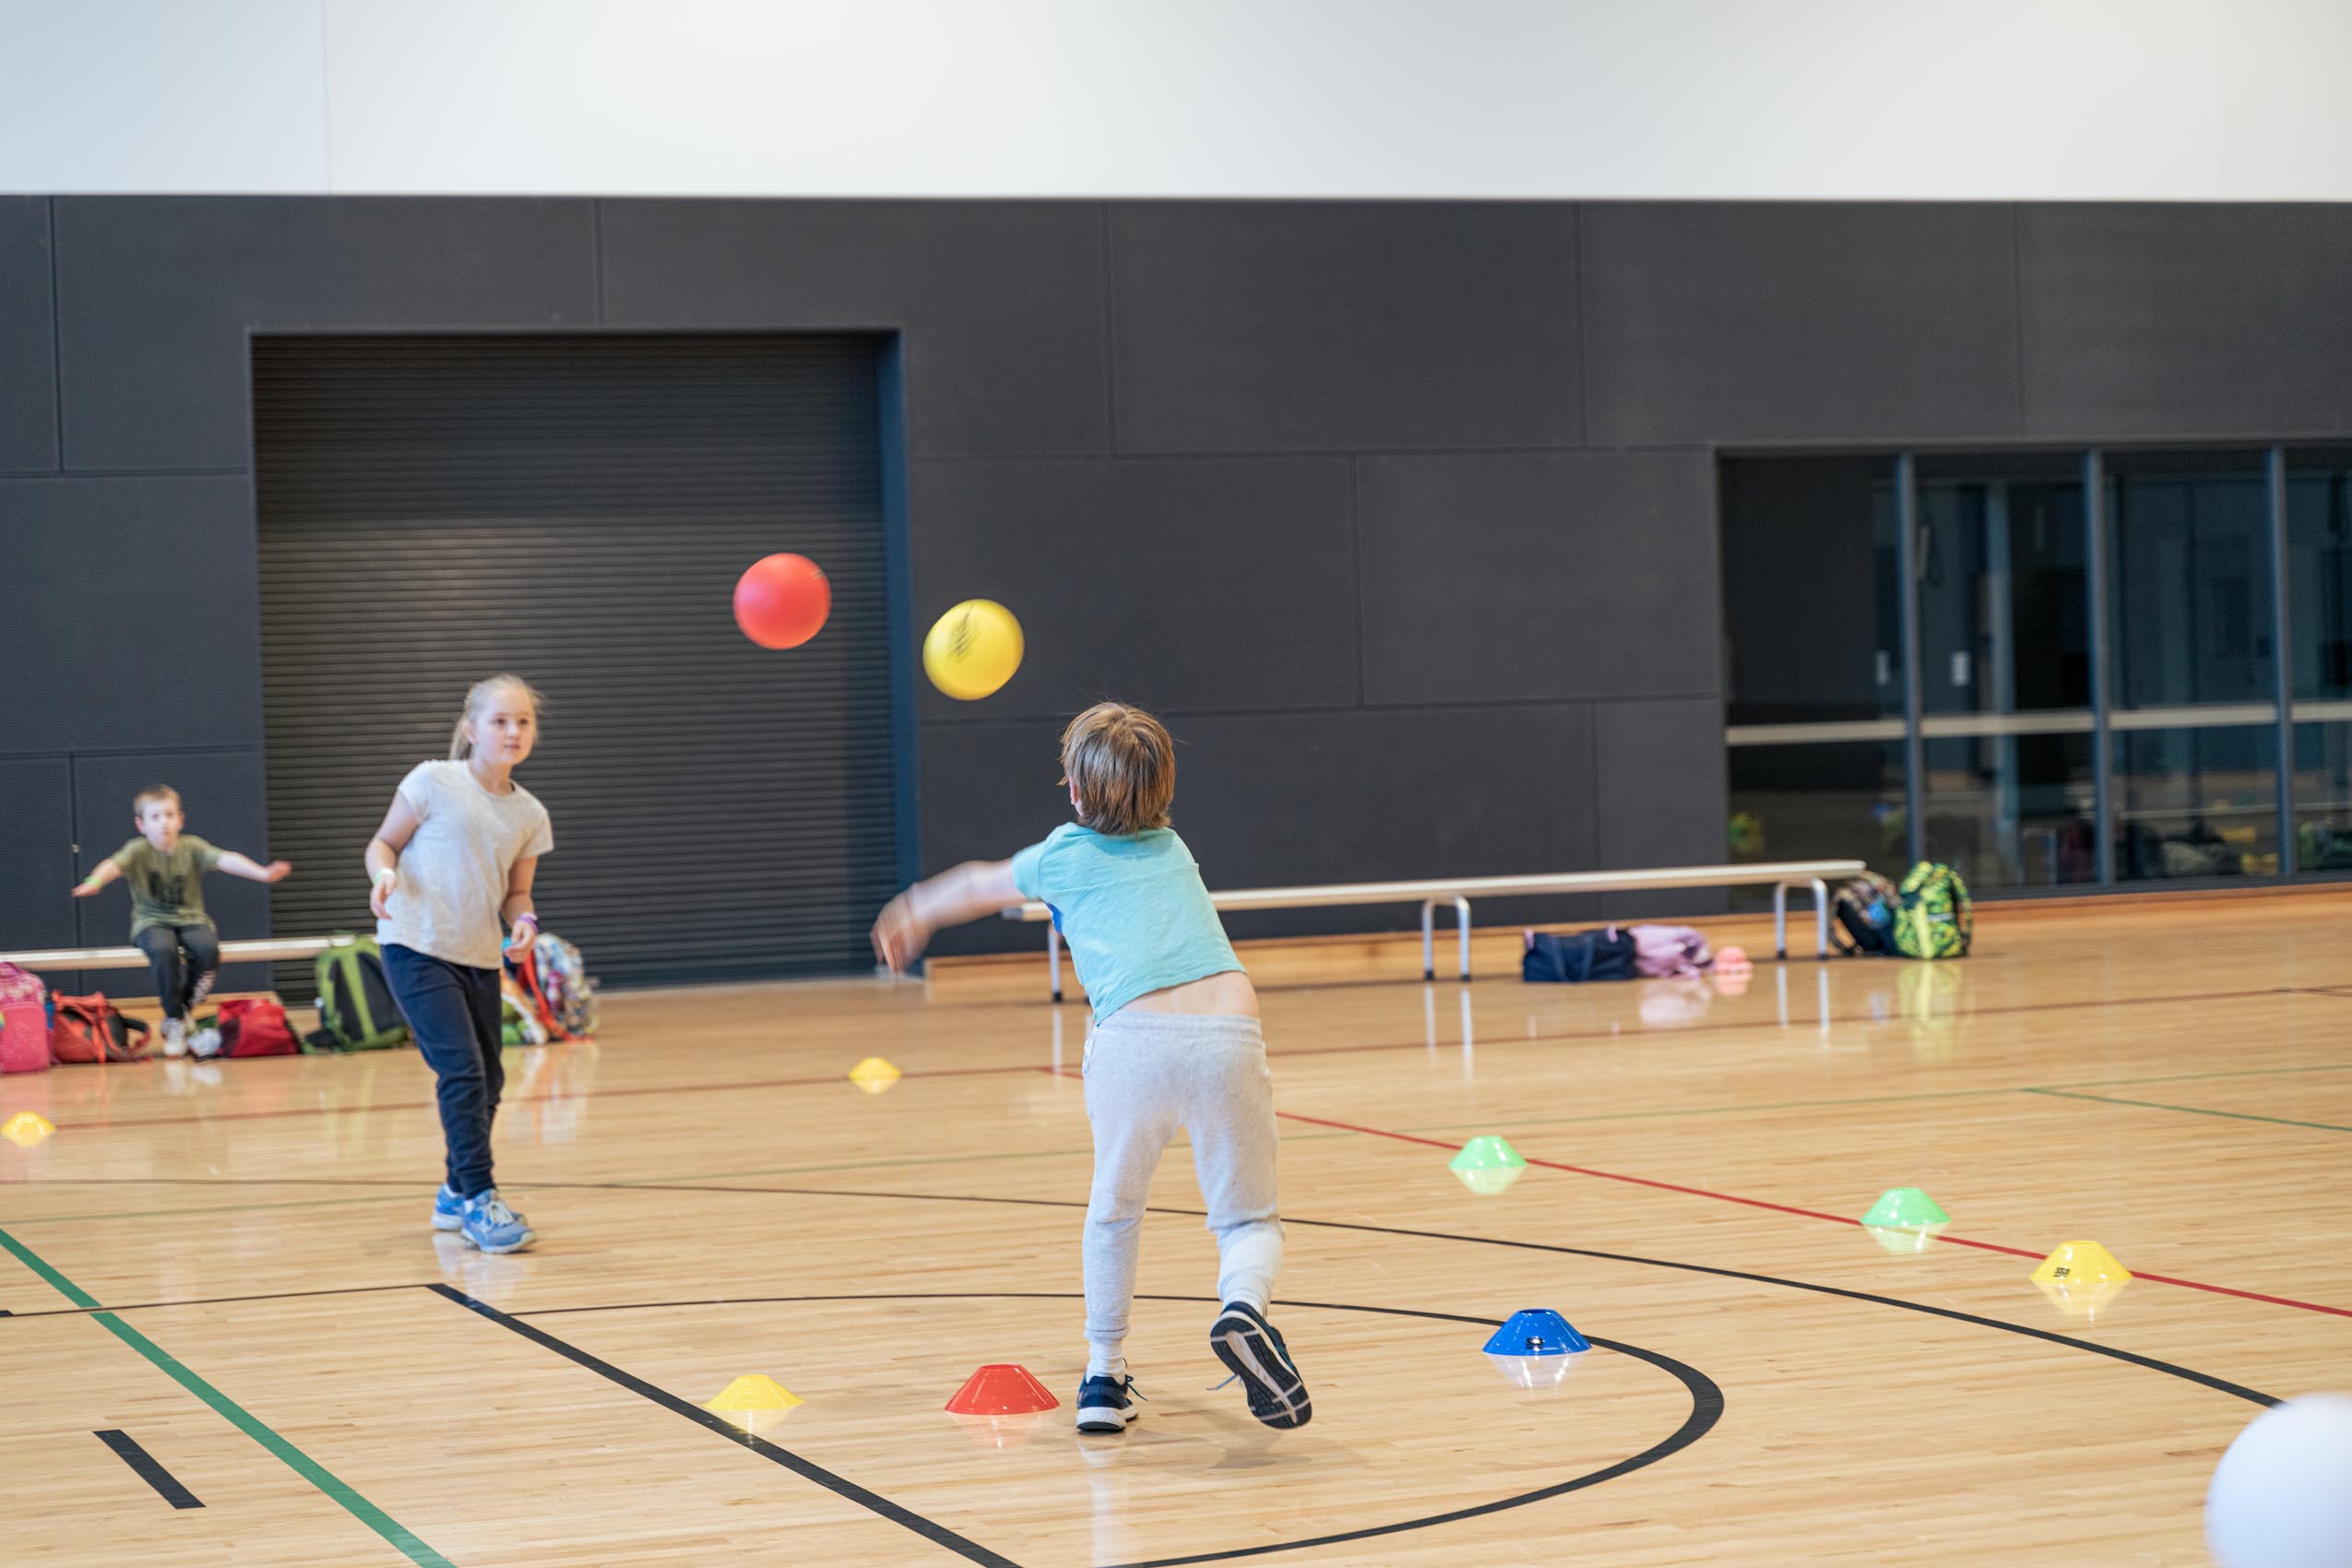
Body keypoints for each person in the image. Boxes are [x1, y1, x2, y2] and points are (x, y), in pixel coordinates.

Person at [871, 701, 1309, 1434]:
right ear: (1164, 791)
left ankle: (1104, 1377)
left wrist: (914, 910)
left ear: (1073, 791)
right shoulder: (1175, 848)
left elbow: (978, 884)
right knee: (1246, 1218)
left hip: (1132, 1038)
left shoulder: (1062, 856)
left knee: (1115, 1208)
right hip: (1230, 1026)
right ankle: (1242, 1307)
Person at [365, 674, 552, 1255]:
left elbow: (515, 894)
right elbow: (383, 843)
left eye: (522, 721)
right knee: (464, 1072)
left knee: (490, 1078)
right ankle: (479, 1200)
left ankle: (452, 1190)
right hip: (414, 944)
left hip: (476, 955)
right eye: (499, 721)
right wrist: (385, 875)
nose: (512, 731)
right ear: (471, 729)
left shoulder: (529, 814)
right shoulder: (432, 781)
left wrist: (525, 923)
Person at [74, 786, 291, 1058]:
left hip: (191, 919)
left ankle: (181, 1010)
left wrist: (262, 873)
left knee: (208, 951)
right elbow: (112, 865)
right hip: (150, 921)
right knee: (163, 951)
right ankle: (175, 1019)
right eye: (155, 817)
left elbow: (226, 859)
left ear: (180, 820)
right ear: (141, 824)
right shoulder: (137, 850)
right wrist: (95, 881)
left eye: (169, 815)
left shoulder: (193, 847)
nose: (163, 822)